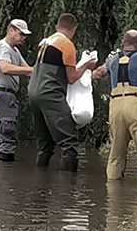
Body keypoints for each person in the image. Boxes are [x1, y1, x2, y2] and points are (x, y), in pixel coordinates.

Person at [92, 30, 137, 185]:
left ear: (123, 43)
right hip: (136, 104)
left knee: (116, 152)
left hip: (116, 105)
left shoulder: (112, 59)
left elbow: (98, 73)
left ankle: (112, 189)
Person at [28, 13, 96, 172]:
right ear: (74, 29)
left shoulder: (44, 42)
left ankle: (40, 182)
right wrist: (86, 65)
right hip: (50, 93)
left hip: (33, 92)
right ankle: (69, 190)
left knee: (45, 144)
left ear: (56, 27)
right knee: (69, 142)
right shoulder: (66, 44)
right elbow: (72, 78)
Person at [0, 19, 33, 162]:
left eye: (25, 35)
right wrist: (34, 70)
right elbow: (5, 68)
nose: (23, 38)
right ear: (11, 30)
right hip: (2, 96)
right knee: (8, 133)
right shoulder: (4, 48)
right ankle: (6, 175)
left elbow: (26, 69)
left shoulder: (14, 50)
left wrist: (37, 71)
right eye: (21, 34)